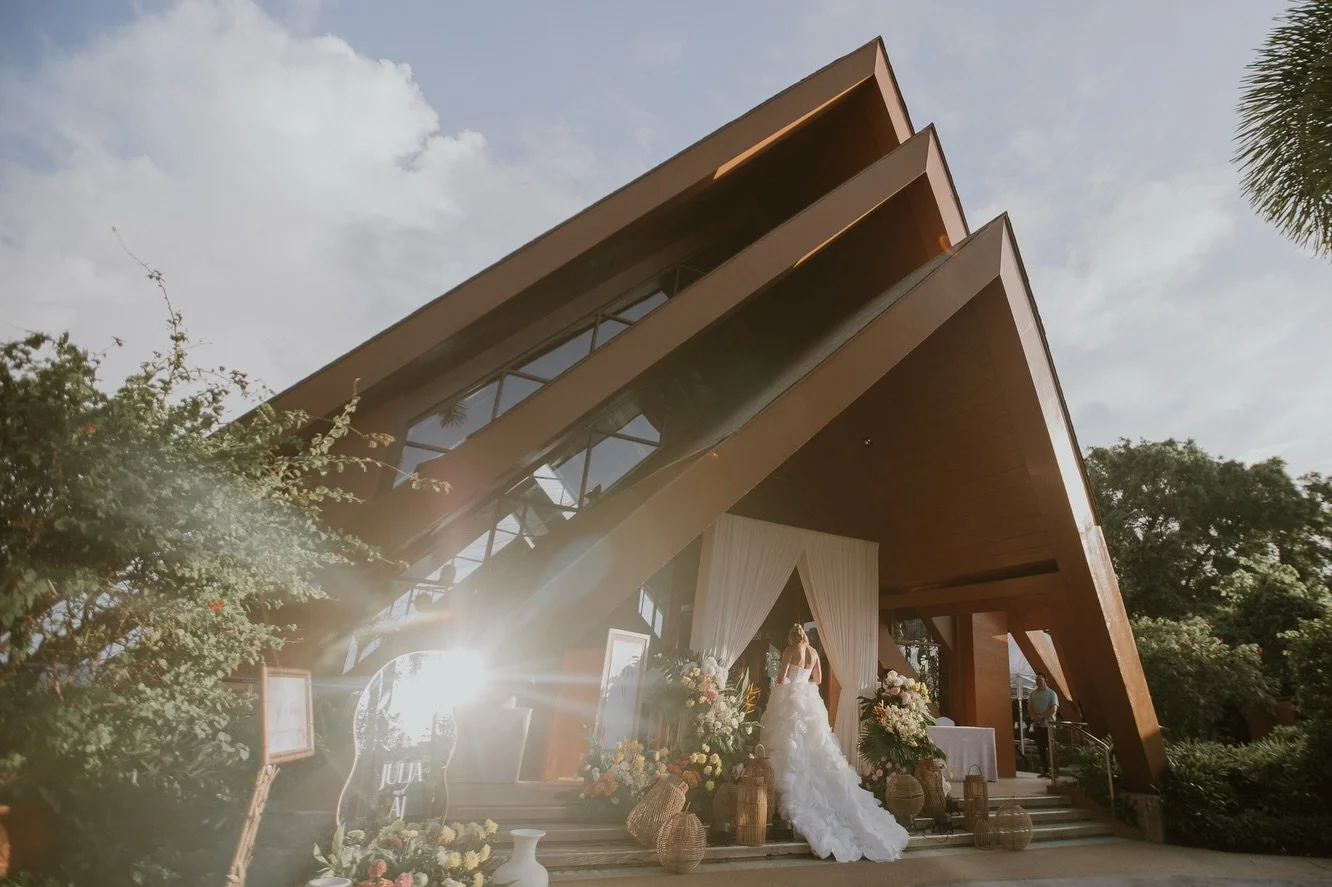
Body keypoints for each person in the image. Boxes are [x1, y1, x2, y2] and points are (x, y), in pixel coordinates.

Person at [760, 623, 909, 863]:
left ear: (791, 637)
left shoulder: (790, 650)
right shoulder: (813, 653)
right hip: (809, 699)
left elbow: (780, 677)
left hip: (791, 698)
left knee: (790, 743)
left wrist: (783, 687)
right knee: (817, 745)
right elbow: (818, 679)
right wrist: (805, 681)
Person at [1027, 673, 1059, 777]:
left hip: (1049, 726)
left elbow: (1053, 708)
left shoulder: (1051, 693)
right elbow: (1030, 707)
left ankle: (1054, 771)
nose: (1038, 682)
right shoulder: (1033, 694)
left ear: (1045, 680)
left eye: (1040, 680)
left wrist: (1042, 717)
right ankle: (1045, 771)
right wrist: (1035, 717)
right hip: (1038, 726)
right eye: (1036, 680)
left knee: (1051, 749)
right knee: (1041, 749)